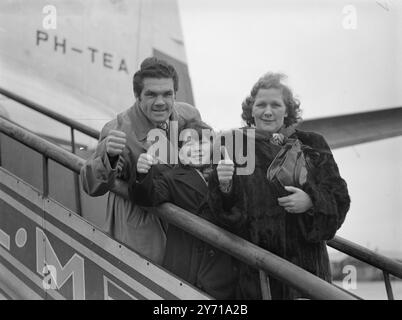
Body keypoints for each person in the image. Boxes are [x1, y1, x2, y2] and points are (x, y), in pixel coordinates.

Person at [208, 72, 351, 299]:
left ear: (287, 110)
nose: (267, 111)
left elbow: (340, 199)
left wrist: (311, 202)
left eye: (276, 104)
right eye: (261, 104)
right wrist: (224, 186)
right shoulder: (232, 145)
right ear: (251, 110)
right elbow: (224, 219)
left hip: (309, 275)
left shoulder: (313, 143)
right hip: (257, 276)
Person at [80, 57, 201, 264]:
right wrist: (109, 157)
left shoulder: (188, 115)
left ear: (175, 93)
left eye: (167, 94)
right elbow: (91, 185)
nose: (161, 102)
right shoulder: (119, 129)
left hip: (180, 230)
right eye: (151, 94)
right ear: (137, 96)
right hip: (140, 234)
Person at [129, 120, 238, 299]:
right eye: (188, 143)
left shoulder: (228, 172)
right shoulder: (171, 178)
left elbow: (236, 214)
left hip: (221, 274)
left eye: (202, 142)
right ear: (179, 151)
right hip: (186, 272)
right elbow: (147, 197)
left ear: (214, 147)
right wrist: (142, 173)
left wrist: (226, 185)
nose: (195, 148)